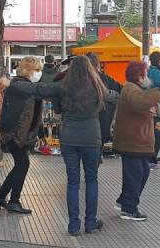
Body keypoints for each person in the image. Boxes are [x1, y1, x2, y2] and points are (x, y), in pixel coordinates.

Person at [8, 56, 118, 236]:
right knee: (92, 180)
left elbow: (37, 88)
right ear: (90, 69)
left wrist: (13, 83)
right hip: (92, 139)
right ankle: (90, 223)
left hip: (69, 139)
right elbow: (116, 96)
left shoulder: (62, 87)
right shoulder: (99, 88)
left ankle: (73, 225)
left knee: (73, 182)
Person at [113, 61, 160, 220]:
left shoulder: (133, 89)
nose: (147, 78)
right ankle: (129, 208)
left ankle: (125, 201)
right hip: (132, 141)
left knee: (141, 172)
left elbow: (144, 102)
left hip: (134, 141)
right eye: (145, 74)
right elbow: (142, 103)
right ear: (139, 77)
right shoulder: (130, 89)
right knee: (136, 173)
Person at [0, 57, 44, 214]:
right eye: (37, 70)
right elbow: (23, 115)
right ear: (30, 70)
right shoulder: (24, 88)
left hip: (13, 133)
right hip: (17, 135)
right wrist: (22, 138)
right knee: (23, 164)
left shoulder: (18, 85)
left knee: (20, 165)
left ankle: (0, 196)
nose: (39, 73)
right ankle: (14, 201)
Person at [85, 52, 122, 153]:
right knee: (94, 157)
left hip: (80, 125)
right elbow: (121, 90)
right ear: (98, 64)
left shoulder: (76, 79)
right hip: (101, 123)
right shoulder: (105, 78)